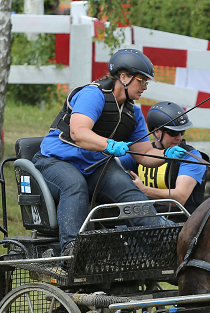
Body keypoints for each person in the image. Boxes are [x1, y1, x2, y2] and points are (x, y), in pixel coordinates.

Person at [32, 49, 187, 255]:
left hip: (94, 165)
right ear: (123, 77)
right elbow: (78, 132)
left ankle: (159, 245)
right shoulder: (92, 94)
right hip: (55, 162)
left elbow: (143, 154)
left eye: (146, 82)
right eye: (141, 80)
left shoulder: (134, 113)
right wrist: (109, 145)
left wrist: (166, 154)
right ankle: (71, 252)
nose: (144, 87)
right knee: (74, 185)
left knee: (130, 190)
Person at [121, 101, 208, 223]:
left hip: (181, 226)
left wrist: (143, 190)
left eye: (182, 132)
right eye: (172, 132)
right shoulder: (141, 154)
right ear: (156, 132)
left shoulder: (190, 157)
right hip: (145, 220)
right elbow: (112, 166)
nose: (179, 137)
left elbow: (180, 197)